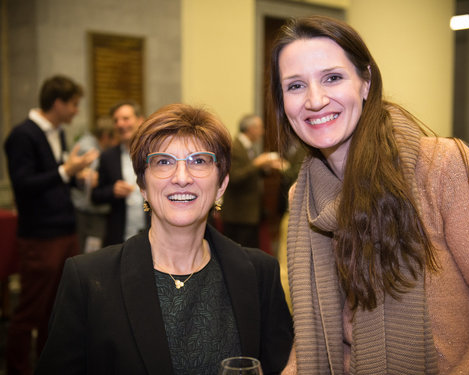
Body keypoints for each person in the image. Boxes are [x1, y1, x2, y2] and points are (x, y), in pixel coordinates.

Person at [268, 16, 469, 375]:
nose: (315, 100)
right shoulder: (301, 196)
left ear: (365, 81)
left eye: (332, 78)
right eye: (295, 86)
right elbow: (314, 339)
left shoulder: (441, 167)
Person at [34, 103, 293, 375]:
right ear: (143, 185)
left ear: (222, 185)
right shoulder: (88, 280)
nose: (182, 178)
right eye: (164, 162)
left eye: (199, 161)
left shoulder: (259, 274)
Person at [4, 75, 98, 375]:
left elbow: (55, 180)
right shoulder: (23, 135)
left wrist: (76, 176)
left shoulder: (56, 133)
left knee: (56, 309)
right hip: (41, 236)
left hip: (64, 230)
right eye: (73, 104)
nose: (75, 111)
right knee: (30, 310)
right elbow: (23, 184)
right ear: (57, 103)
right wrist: (65, 170)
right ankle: (18, 368)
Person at [222, 114, 287, 248]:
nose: (262, 132)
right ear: (250, 129)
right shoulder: (235, 147)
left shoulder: (249, 147)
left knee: (250, 252)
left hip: (250, 213)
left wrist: (265, 168)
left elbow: (250, 173)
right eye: (259, 127)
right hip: (238, 214)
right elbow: (233, 177)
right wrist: (257, 164)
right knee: (239, 253)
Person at [91, 100, 148, 246]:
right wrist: (112, 191)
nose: (120, 124)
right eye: (116, 120)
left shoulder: (154, 154)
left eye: (125, 118)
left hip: (153, 233)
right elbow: (95, 196)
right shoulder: (108, 157)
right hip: (119, 236)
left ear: (140, 120)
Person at [71, 116, 118, 252]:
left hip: (88, 209)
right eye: (115, 137)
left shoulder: (89, 143)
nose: (117, 142)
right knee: (90, 251)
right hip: (88, 212)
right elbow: (93, 179)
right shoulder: (90, 149)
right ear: (105, 136)